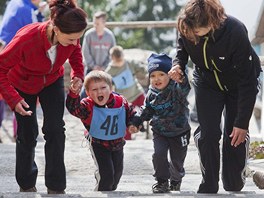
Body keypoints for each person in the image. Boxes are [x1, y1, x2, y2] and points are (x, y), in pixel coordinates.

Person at [169, 0, 261, 193]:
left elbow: (248, 82)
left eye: (198, 32)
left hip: (238, 84)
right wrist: (178, 64)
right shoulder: (186, 25)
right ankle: (209, 181)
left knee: (234, 136)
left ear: (212, 24)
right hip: (206, 81)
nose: (193, 36)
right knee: (209, 133)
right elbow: (181, 49)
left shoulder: (235, 30)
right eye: (190, 32)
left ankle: (236, 176)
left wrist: (242, 123)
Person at [0, 0, 87, 194]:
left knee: (56, 129)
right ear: (55, 28)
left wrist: (78, 75)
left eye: (77, 38)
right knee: (27, 132)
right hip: (23, 83)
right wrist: (13, 99)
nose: (75, 42)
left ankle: (56, 186)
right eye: (71, 39)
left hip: (51, 81)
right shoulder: (26, 38)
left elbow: (76, 54)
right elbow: (1, 68)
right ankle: (26, 183)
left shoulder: (71, 34)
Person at [128, 53, 191, 193]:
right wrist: (136, 121)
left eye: (161, 74)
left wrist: (181, 79)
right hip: (160, 131)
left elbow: (185, 88)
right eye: (153, 75)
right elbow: (146, 109)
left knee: (177, 160)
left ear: (169, 75)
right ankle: (161, 181)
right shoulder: (151, 93)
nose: (157, 79)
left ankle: (175, 179)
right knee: (159, 154)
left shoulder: (176, 89)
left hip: (179, 131)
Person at [66, 70, 135, 191]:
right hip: (98, 144)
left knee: (116, 175)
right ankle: (100, 192)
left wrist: (134, 123)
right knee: (106, 175)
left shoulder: (120, 101)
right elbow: (74, 109)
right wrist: (73, 94)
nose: (99, 92)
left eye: (103, 87)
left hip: (117, 143)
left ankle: (110, 189)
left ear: (111, 88)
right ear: (87, 93)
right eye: (94, 89)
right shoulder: (87, 105)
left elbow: (131, 112)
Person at [0, 0, 46, 140]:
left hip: (5, 50)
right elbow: (36, 32)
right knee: (22, 95)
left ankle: (17, 133)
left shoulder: (15, 2)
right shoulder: (27, 10)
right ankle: (19, 134)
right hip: (16, 57)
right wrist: (41, 15)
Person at [105, 45, 148, 140]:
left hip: (137, 92)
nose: (120, 63)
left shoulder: (129, 63)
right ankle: (128, 138)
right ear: (112, 59)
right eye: (118, 61)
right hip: (125, 100)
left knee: (147, 108)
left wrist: (144, 71)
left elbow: (142, 69)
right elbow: (106, 84)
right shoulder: (110, 71)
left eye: (121, 60)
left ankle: (142, 125)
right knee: (125, 120)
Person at [80, 10, 116, 98]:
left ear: (104, 23)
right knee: (84, 93)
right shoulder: (88, 35)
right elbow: (85, 52)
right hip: (90, 69)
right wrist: (94, 66)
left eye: (98, 24)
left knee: (109, 91)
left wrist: (104, 67)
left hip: (105, 70)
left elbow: (112, 54)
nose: (95, 25)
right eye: (94, 23)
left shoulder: (110, 36)